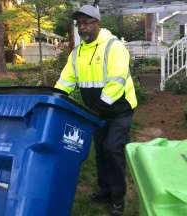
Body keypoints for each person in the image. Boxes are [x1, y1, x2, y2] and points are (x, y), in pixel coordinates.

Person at [54, 5, 137, 216]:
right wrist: (54, 98)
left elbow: (117, 81)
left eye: (86, 23)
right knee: (100, 150)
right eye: (79, 24)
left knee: (112, 149)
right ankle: (105, 190)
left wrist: (99, 108)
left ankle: (118, 198)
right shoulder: (77, 53)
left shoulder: (114, 47)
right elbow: (66, 80)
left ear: (97, 23)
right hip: (96, 113)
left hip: (119, 110)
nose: (82, 28)